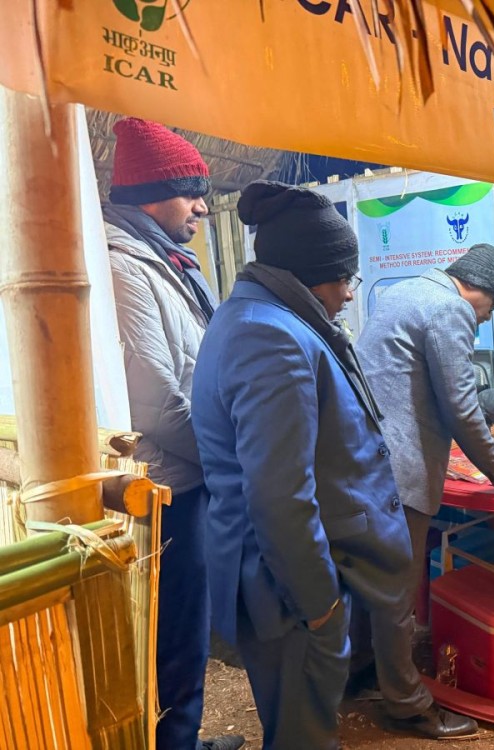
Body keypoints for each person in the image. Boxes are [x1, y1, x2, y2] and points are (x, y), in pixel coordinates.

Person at [192, 181, 475, 749]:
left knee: (307, 726)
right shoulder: (269, 338)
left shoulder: (263, 318)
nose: (349, 293)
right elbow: (279, 496)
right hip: (286, 594)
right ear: (307, 274)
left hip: (288, 585)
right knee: (303, 735)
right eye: (344, 278)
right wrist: (321, 608)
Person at [352, 244, 494, 710]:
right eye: (490, 311)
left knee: (369, 579)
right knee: (400, 587)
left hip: (363, 458)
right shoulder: (451, 308)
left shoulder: (405, 292)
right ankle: (405, 703)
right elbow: (461, 407)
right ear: (480, 294)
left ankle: (360, 674)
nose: (482, 320)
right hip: (401, 467)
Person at [102, 118, 243, 750]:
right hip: (165, 489)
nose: (201, 208)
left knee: (185, 630)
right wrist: (228, 458)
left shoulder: (168, 262)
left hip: (192, 476)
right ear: (152, 193)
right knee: (172, 634)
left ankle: (180, 738)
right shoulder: (122, 268)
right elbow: (156, 403)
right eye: (190, 193)